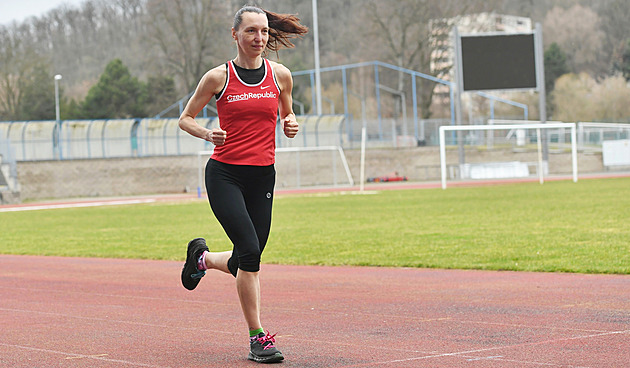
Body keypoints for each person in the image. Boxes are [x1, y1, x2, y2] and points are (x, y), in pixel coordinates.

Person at [178, 4, 308, 364]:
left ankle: (201, 259)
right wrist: (208, 133)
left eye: (264, 32)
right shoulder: (217, 78)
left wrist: (291, 122)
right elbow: (184, 119)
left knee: (246, 259)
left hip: (263, 175)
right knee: (249, 252)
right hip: (225, 174)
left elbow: (288, 111)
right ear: (235, 35)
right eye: (251, 31)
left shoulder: (281, 75)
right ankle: (258, 337)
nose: (259, 38)